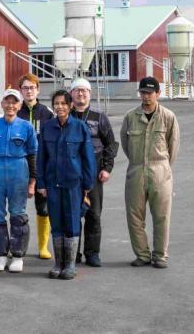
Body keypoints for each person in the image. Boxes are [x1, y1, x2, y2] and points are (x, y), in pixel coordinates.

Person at [120, 77, 180, 269]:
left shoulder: (168, 117)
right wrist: (138, 162)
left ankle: (160, 255)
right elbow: (125, 144)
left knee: (162, 216)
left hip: (160, 171)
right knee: (134, 216)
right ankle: (143, 254)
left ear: (158, 94)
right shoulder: (130, 117)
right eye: (143, 92)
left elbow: (173, 146)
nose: (146, 96)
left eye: (149, 93)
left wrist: (162, 167)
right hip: (136, 170)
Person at [37, 90, 96, 280]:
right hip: (52, 183)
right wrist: (41, 183)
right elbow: (41, 158)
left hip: (73, 184)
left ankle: (70, 265)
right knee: (56, 223)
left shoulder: (80, 128)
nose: (59, 107)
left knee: (71, 222)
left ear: (70, 105)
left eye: (63, 103)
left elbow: (88, 158)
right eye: (56, 103)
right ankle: (58, 263)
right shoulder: (47, 128)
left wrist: (87, 184)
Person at [0, 89, 37, 273]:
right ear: (1, 104)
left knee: (18, 214)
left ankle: (17, 256)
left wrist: (32, 182)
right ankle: (0, 256)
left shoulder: (26, 127)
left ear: (20, 105)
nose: (10, 105)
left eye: (14, 102)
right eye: (7, 101)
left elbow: (32, 155)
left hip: (18, 168)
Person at [69, 77, 119, 267]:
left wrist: (107, 168)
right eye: (77, 90)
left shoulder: (99, 117)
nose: (80, 94)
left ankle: (92, 253)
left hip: (94, 171)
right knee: (73, 214)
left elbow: (111, 145)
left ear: (90, 94)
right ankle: (73, 252)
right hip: (72, 172)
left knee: (93, 214)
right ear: (71, 93)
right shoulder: (66, 116)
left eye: (84, 91)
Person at [18, 73, 54, 259]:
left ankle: (43, 247)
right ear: (20, 91)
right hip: (20, 167)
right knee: (18, 209)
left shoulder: (46, 113)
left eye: (32, 87)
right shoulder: (16, 112)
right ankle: (17, 245)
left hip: (41, 168)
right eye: (25, 88)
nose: (29, 91)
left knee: (44, 208)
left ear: (38, 89)